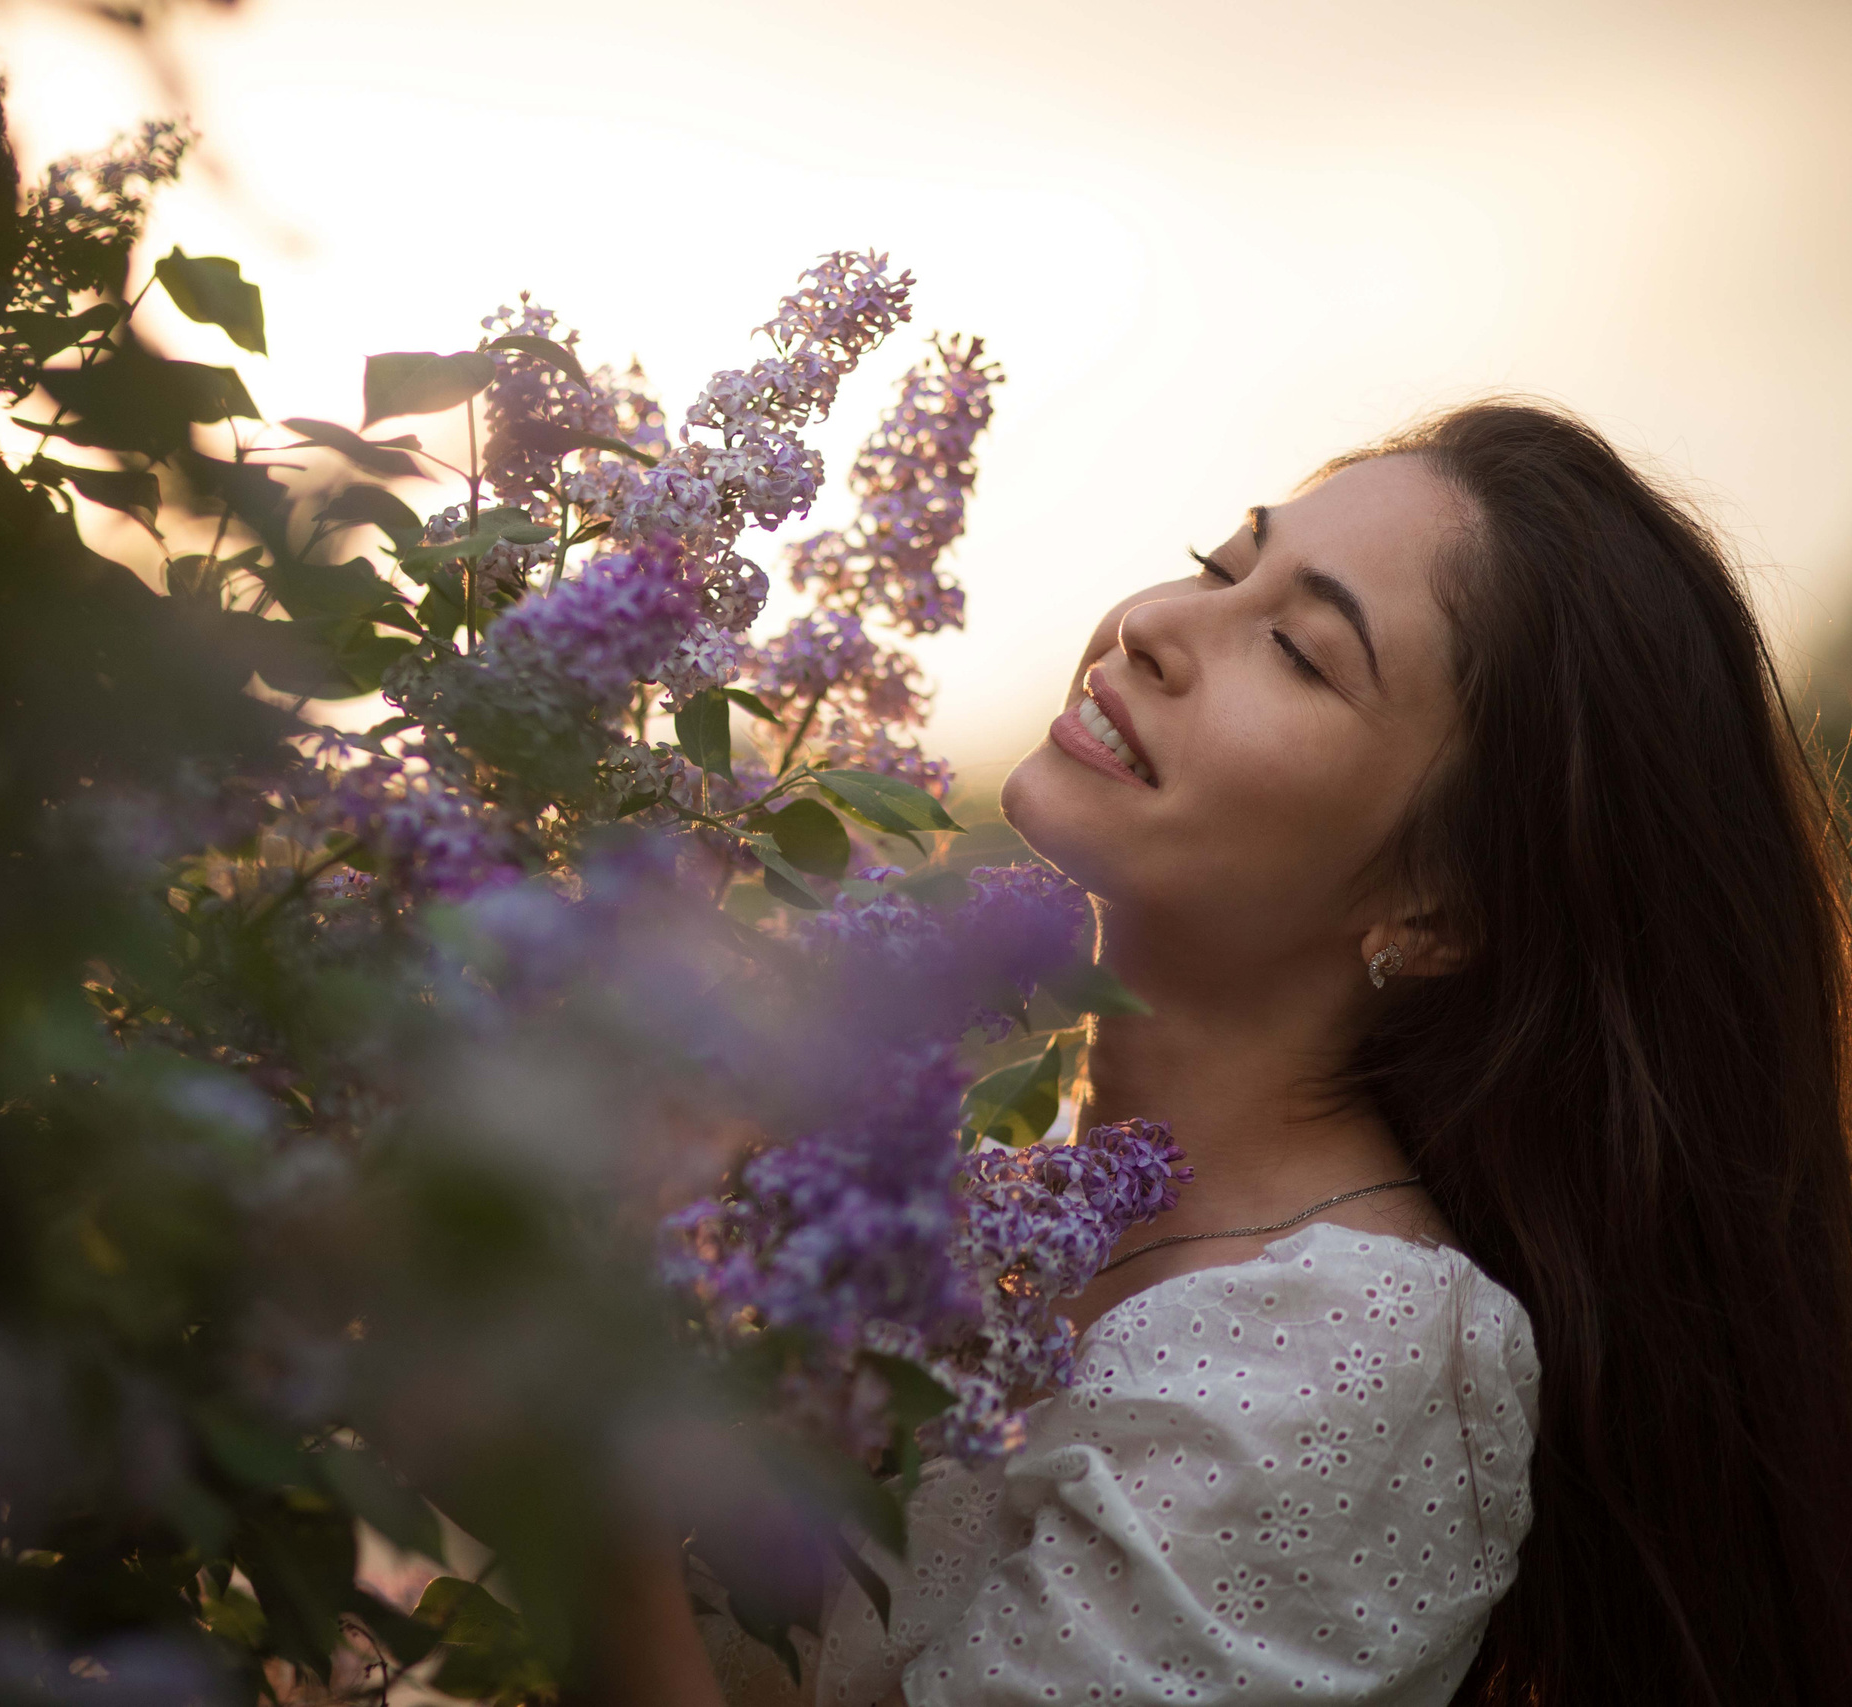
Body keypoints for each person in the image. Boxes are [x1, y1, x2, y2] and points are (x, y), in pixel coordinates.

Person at [618, 400, 1852, 1707]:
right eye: (1220, 563)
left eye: (1301, 651)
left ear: (1440, 912)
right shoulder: (992, 1192)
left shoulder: (1350, 1362)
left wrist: (570, 1467)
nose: (1156, 624)